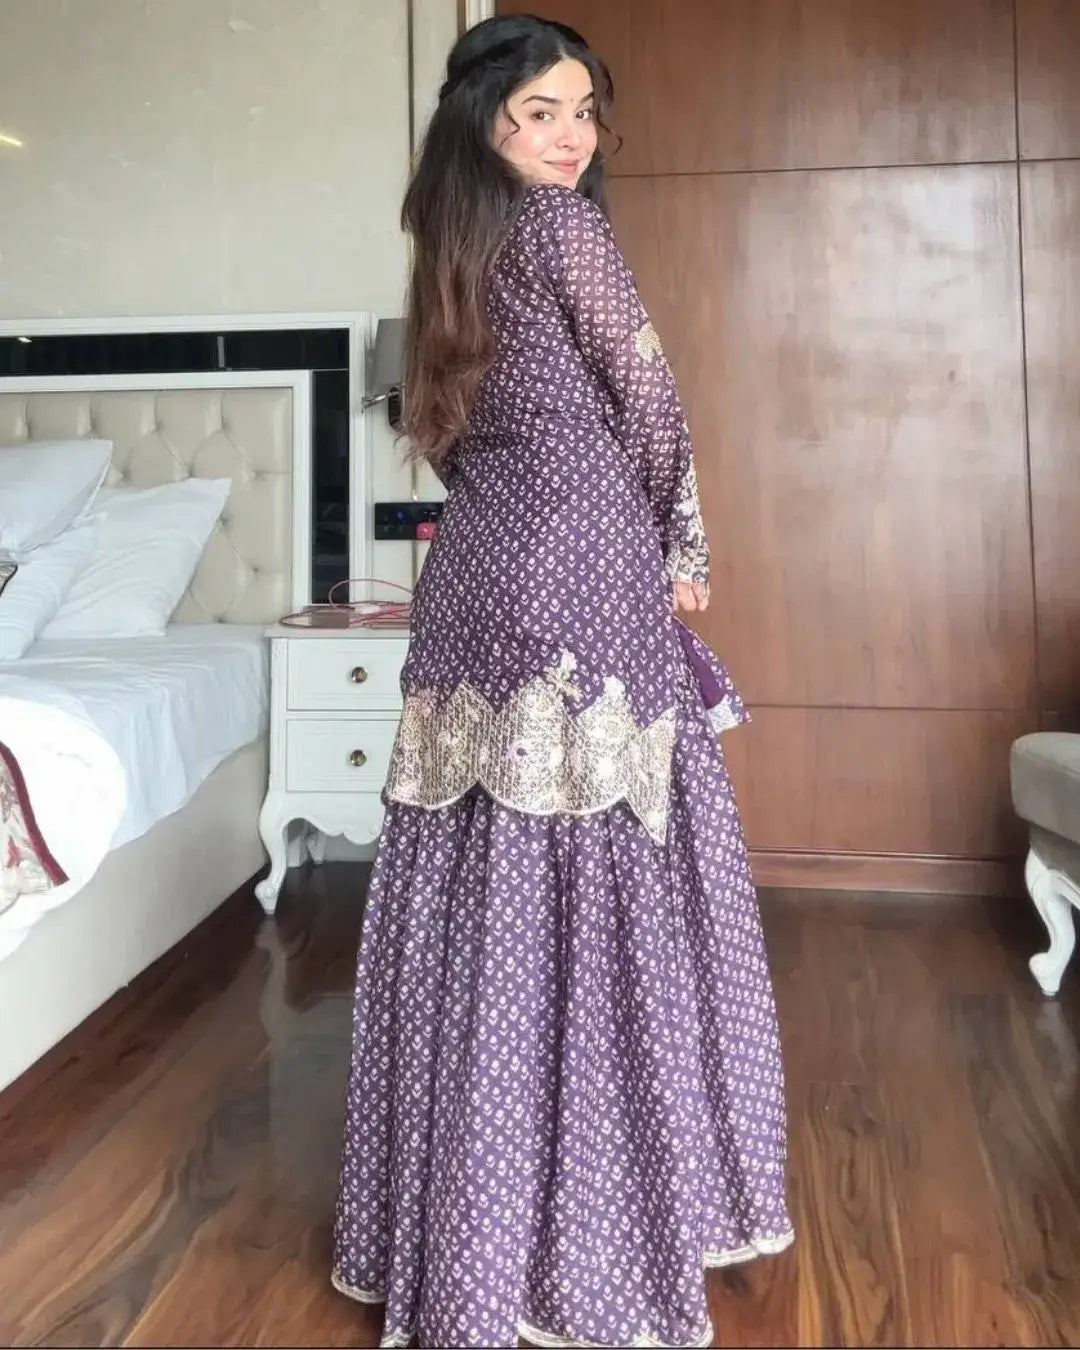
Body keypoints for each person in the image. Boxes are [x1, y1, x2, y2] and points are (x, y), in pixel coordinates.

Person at [331, 14, 793, 1348]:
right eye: (544, 108)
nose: (573, 134)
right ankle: (583, 1236)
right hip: (583, 568)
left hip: (476, 578)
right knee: (602, 886)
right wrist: (683, 547)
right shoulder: (566, 234)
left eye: (587, 110)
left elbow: (448, 439)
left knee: (478, 887)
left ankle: (467, 1228)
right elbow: (649, 400)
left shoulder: (448, 256)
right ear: (488, 120)